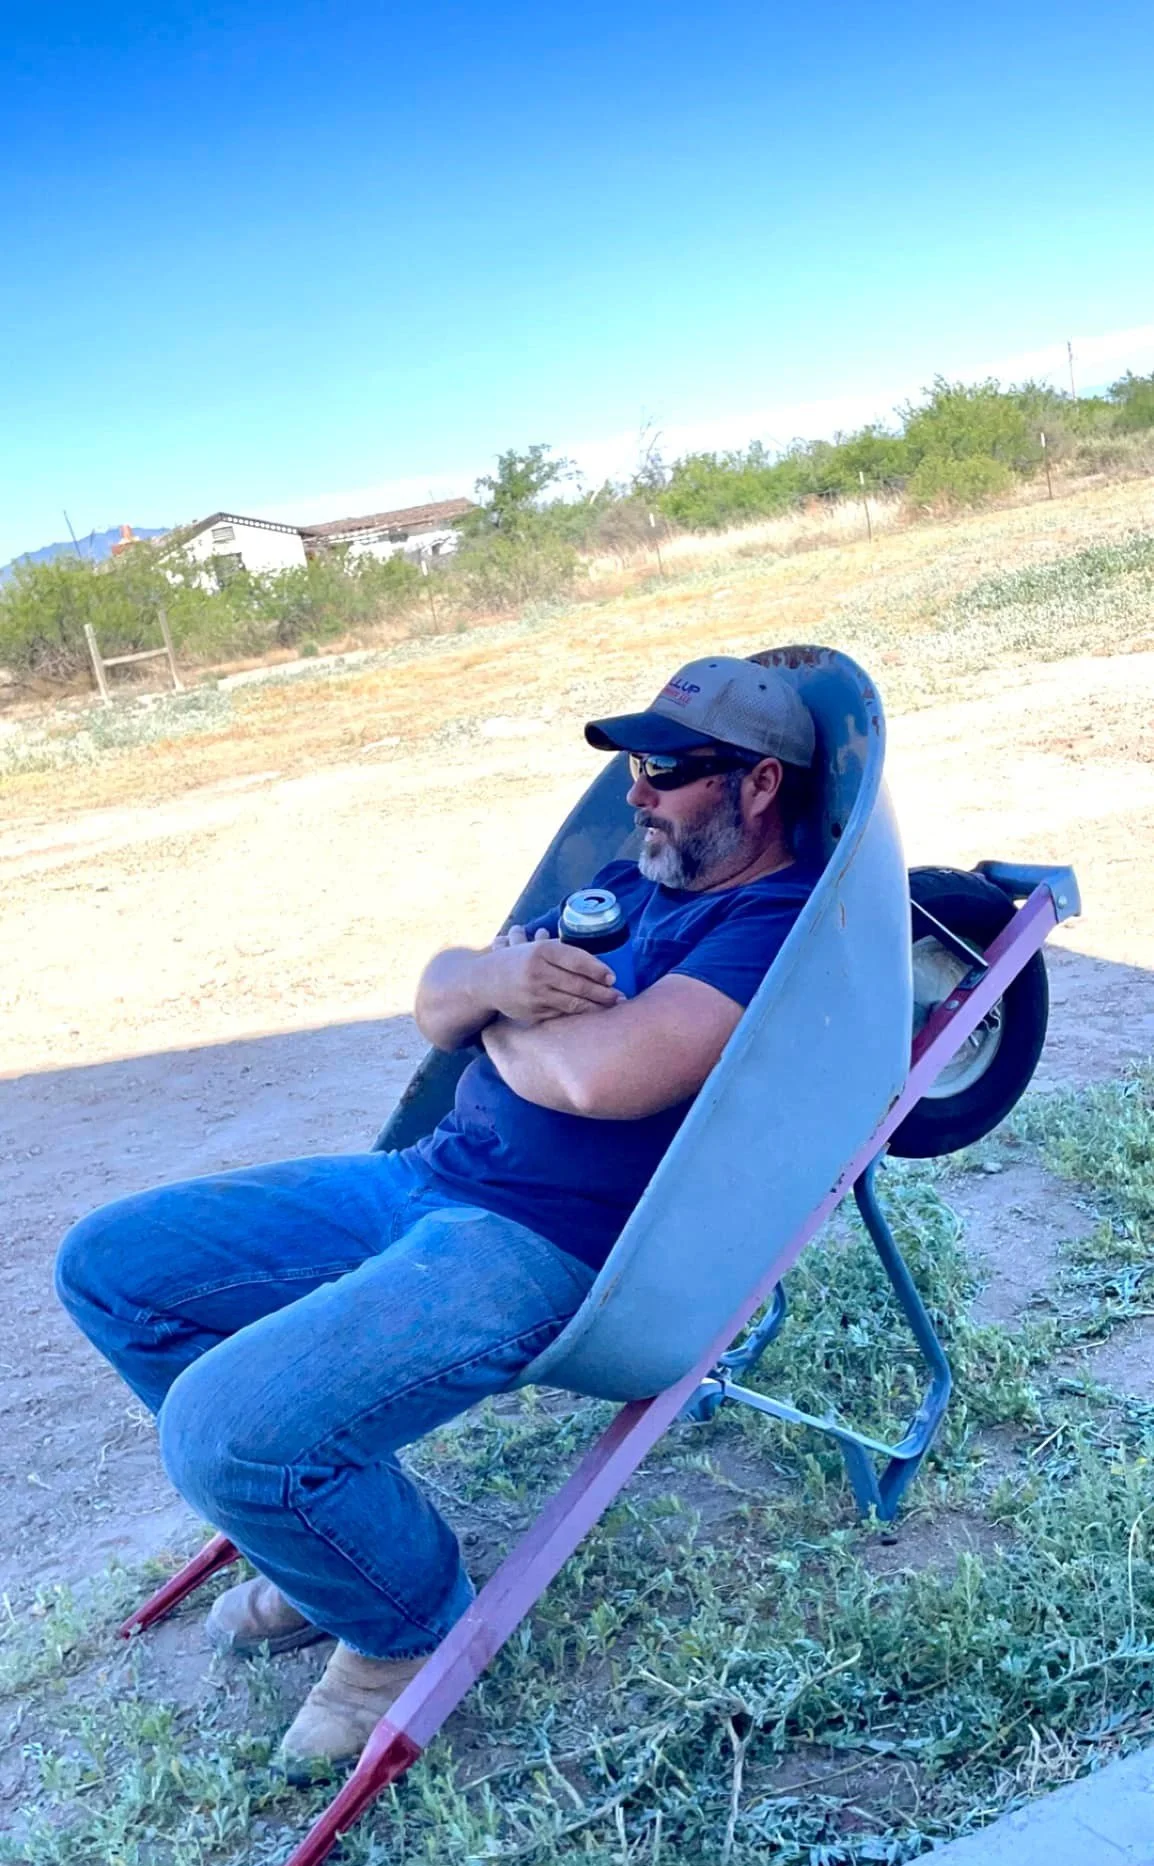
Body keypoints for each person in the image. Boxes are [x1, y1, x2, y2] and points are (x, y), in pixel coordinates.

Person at [55, 654, 820, 1779]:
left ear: (757, 785)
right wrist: (486, 987)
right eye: (632, 766)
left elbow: (603, 1079)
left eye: (664, 768)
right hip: (423, 1176)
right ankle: (331, 1542)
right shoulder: (631, 878)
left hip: (545, 1245)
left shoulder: (771, 924)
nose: (635, 793)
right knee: (109, 1264)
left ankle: (399, 1625)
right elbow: (435, 995)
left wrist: (498, 1006)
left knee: (220, 1432)